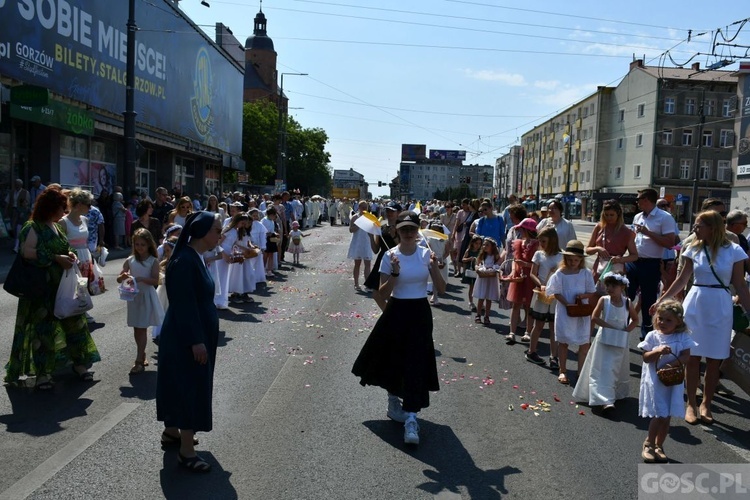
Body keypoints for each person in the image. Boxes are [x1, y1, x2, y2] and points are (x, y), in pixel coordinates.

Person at [352, 211, 445, 446]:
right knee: (394, 359)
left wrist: (434, 268)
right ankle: (393, 400)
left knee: (416, 362)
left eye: (412, 229)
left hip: (419, 313)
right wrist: (394, 272)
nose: (408, 233)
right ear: (397, 232)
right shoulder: (390, 255)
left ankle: (412, 418)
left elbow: (441, 290)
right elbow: (382, 293)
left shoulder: (426, 254)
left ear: (417, 231)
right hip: (396, 311)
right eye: (404, 229)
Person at [652, 210, 750, 426]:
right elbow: (681, 279)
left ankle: (707, 403)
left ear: (712, 227)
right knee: (693, 357)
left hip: (721, 304)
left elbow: (740, 285)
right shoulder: (693, 248)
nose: (695, 229)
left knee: (715, 360)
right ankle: (691, 405)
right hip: (696, 303)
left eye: (698, 226)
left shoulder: (734, 251)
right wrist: (662, 300)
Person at [4, 186, 100, 389]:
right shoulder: (33, 227)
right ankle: (42, 375)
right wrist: (56, 258)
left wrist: (71, 254)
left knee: (76, 324)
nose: (63, 212)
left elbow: (66, 246)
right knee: (43, 331)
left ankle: (80, 365)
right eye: (60, 208)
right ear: (49, 207)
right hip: (42, 290)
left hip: (63, 288)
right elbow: (27, 252)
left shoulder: (55, 226)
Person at [156, 212, 222, 473]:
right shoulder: (185, 260)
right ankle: (186, 451)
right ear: (202, 232)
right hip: (187, 336)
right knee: (189, 386)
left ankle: (173, 432)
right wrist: (196, 340)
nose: (221, 235)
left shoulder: (192, 256)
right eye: (217, 230)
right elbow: (184, 304)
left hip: (192, 331)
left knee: (180, 383)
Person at [637, 300, 697, 463]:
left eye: (668, 320)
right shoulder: (652, 336)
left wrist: (672, 364)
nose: (662, 322)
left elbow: (686, 356)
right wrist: (657, 351)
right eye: (660, 318)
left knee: (667, 415)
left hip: (672, 381)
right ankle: (648, 443)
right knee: (659, 413)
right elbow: (646, 358)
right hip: (656, 382)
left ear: (678, 322)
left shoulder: (682, 337)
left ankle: (659, 445)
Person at [572, 272, 638, 410]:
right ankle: (605, 400)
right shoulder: (604, 300)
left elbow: (635, 319)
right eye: (608, 285)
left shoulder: (627, 302)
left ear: (622, 287)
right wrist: (609, 327)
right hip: (604, 339)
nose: (610, 289)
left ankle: (610, 394)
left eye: (614, 286)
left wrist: (626, 330)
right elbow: (594, 317)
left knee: (614, 368)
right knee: (601, 367)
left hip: (619, 340)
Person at [627, 188, 676, 341]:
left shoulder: (664, 218)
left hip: (651, 263)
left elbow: (670, 243)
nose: (637, 202)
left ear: (647, 200)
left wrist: (649, 233)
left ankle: (646, 335)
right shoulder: (638, 216)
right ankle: (621, 325)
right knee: (625, 295)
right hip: (634, 261)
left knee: (648, 300)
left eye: (639, 199)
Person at [545, 240, 597, 385]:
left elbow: (591, 291)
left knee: (584, 343)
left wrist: (582, 296)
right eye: (570, 259)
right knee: (563, 341)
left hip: (580, 311)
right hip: (565, 310)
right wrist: (567, 303)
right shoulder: (560, 273)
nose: (573, 262)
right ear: (565, 259)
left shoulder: (585, 273)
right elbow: (556, 292)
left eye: (576, 259)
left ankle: (581, 371)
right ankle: (563, 370)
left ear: (581, 260)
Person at [117, 228, 164, 374]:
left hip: (146, 296)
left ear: (149, 244)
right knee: (136, 327)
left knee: (142, 327)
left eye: (142, 244)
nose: (139, 247)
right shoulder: (130, 260)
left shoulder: (153, 261)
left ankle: (138, 360)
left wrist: (142, 279)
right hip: (133, 297)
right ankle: (141, 353)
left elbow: (156, 280)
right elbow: (119, 278)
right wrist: (124, 276)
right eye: (137, 244)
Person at [526, 227, 563, 367]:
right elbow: (532, 273)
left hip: (555, 296)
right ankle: (532, 351)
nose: (541, 243)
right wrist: (540, 284)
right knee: (539, 325)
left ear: (552, 240)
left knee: (554, 327)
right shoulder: (538, 254)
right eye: (540, 241)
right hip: (541, 293)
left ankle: (554, 357)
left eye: (544, 241)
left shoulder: (561, 256)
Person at [585, 199, 638, 284]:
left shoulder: (626, 232)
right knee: (595, 293)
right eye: (606, 215)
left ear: (618, 214)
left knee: (613, 293)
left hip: (616, 269)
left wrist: (621, 259)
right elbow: (587, 250)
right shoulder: (599, 227)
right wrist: (598, 248)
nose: (609, 218)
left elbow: (634, 256)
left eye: (612, 215)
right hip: (599, 268)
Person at [505, 218, 539, 344]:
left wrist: (525, 264)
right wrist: (514, 271)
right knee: (516, 305)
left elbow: (538, 265)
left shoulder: (537, 245)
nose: (520, 231)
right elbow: (515, 260)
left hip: (530, 278)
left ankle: (528, 332)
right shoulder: (519, 242)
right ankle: (512, 332)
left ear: (527, 230)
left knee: (529, 306)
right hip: (520, 276)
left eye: (522, 229)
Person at [365, 201, 401, 311]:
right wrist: (371, 236)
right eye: (387, 210)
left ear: (398, 213)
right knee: (376, 294)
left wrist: (394, 235)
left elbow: (402, 246)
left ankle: (393, 316)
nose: (389, 213)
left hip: (396, 260)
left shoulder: (402, 228)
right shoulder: (381, 228)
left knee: (394, 293)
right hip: (382, 260)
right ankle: (389, 316)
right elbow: (376, 250)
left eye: (392, 211)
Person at [473, 237, 501, 325]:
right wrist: (478, 268)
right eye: (484, 245)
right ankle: (478, 314)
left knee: (489, 298)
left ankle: (487, 316)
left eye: (487, 245)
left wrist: (493, 269)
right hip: (483, 278)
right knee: (481, 297)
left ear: (492, 247)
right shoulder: (482, 255)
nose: (484, 246)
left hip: (491, 279)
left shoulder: (495, 256)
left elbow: (497, 265)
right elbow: (477, 264)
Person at [348, 201, 373, 291]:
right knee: (357, 264)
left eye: (365, 207)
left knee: (368, 264)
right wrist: (358, 225)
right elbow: (351, 230)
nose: (364, 209)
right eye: (362, 207)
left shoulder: (370, 217)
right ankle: (356, 284)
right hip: (357, 242)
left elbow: (372, 230)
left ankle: (367, 284)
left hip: (366, 242)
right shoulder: (355, 217)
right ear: (359, 208)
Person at [6, 179, 30, 251]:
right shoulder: (11, 192)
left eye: (18, 184)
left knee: (22, 230)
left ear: (21, 185)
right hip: (13, 210)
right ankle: (16, 244)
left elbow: (28, 202)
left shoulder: (25, 192)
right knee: (13, 227)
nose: (17, 186)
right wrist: (6, 211)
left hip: (22, 211)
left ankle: (20, 245)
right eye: (16, 184)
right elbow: (7, 202)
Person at [462, 234, 483, 313]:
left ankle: (480, 303)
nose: (477, 245)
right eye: (476, 243)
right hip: (471, 271)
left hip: (478, 271)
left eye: (479, 244)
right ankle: (471, 302)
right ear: (472, 243)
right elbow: (463, 259)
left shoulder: (480, 252)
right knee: (471, 287)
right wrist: (469, 259)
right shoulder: (469, 251)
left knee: (479, 287)